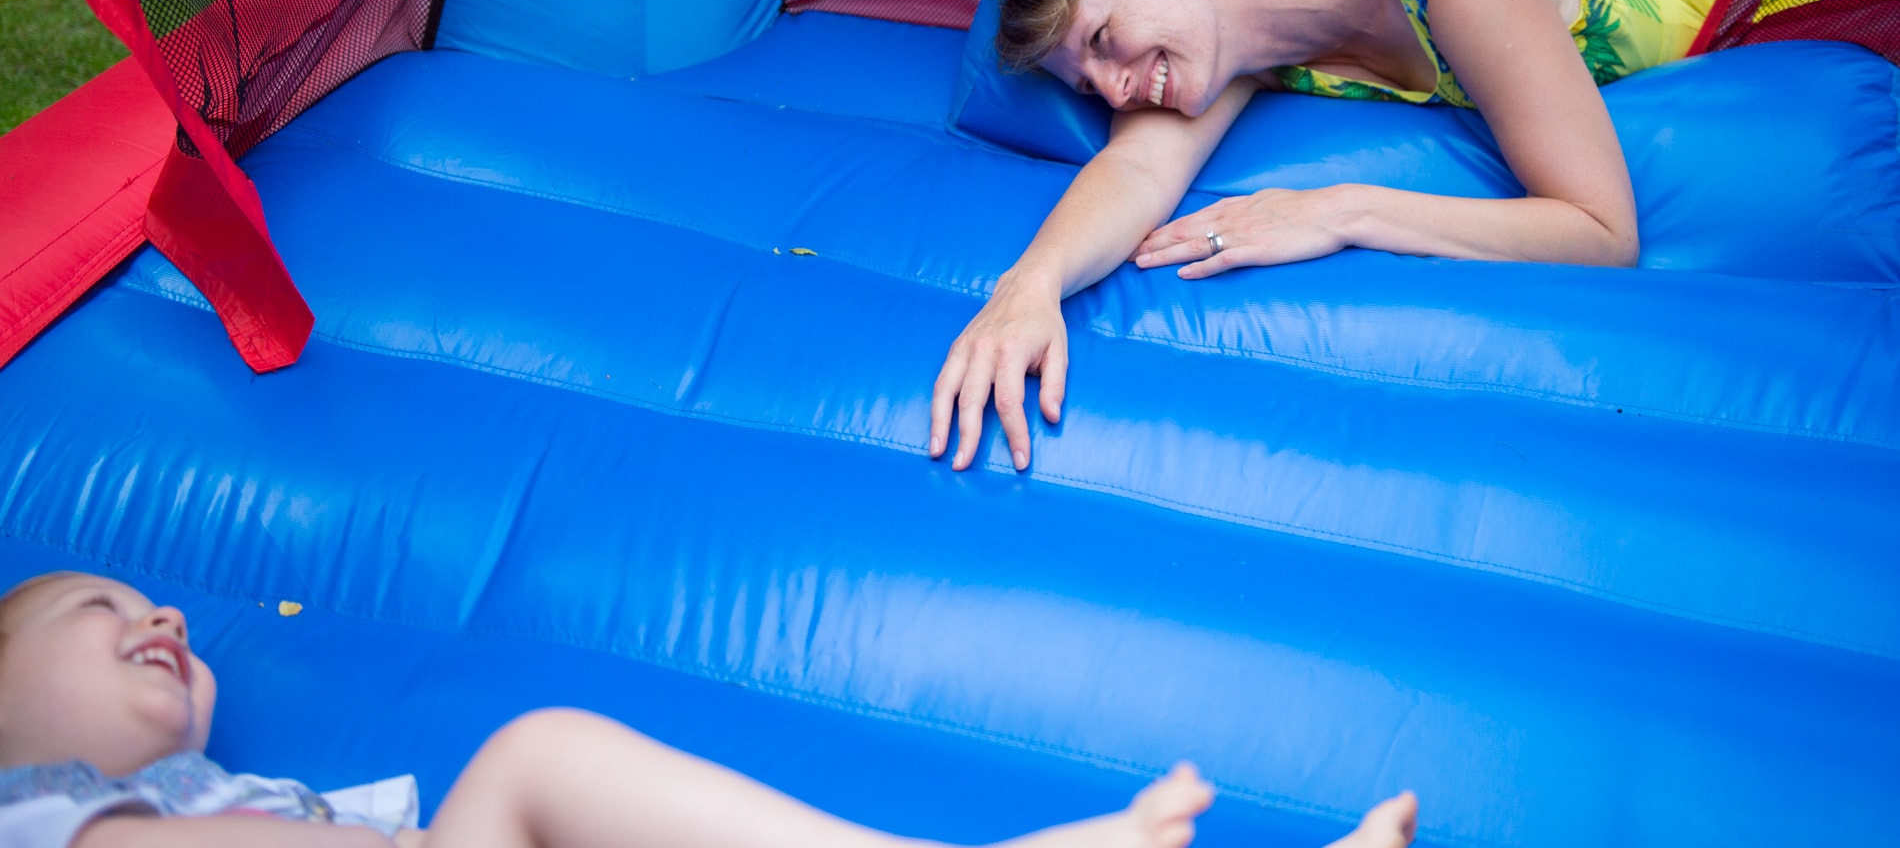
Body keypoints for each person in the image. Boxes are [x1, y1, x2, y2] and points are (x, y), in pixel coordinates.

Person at [930, 0, 1859, 471]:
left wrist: (1340, 209)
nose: (1114, 87)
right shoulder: (1231, 17)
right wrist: (1028, 286)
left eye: (1102, 41)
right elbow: (1135, 177)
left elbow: (1600, 230)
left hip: (1745, 5)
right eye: (1086, 82)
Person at [0, 571, 1420, 848]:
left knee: (535, 762)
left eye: (156, 606)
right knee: (532, 756)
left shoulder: (246, 788)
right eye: (100, 612)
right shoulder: (43, 811)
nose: (162, 616)